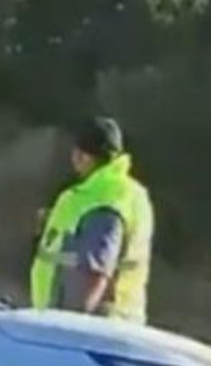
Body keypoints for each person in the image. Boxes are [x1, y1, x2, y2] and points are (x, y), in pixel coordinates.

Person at [29, 117, 154, 322]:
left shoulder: (105, 200)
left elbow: (95, 273)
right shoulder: (121, 193)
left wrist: (70, 329)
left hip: (91, 333)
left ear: (83, 156)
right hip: (103, 331)